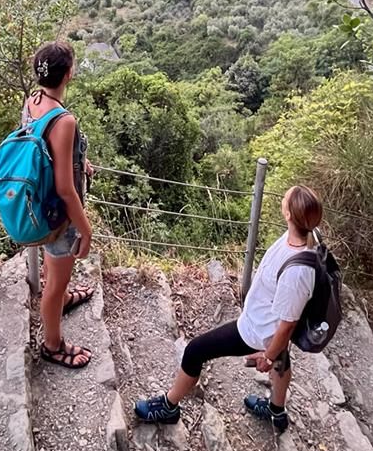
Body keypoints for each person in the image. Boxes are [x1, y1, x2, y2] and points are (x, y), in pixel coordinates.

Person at [134, 185, 322, 432]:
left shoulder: (297, 272)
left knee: (195, 351)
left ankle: (169, 407)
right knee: (282, 359)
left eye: (285, 199)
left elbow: (287, 325)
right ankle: (277, 411)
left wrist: (267, 355)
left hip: (257, 330)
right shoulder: (303, 239)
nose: (283, 200)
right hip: (267, 323)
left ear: (289, 214)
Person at [24, 41, 97, 369]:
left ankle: (62, 299)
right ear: (69, 74)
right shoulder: (64, 119)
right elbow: (67, 189)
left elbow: (42, 146)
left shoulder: (34, 100)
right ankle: (53, 344)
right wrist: (86, 229)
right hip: (60, 215)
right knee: (55, 282)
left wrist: (82, 160)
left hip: (39, 203)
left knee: (56, 274)